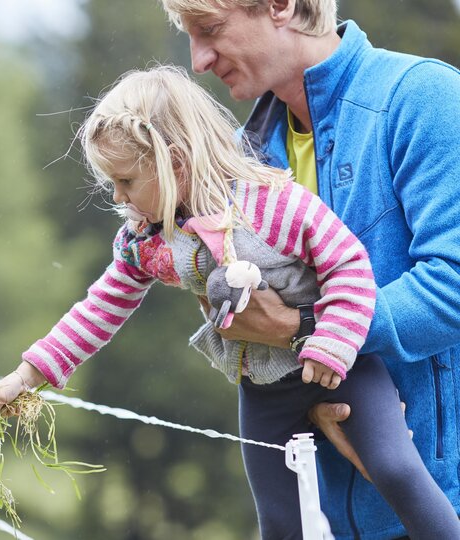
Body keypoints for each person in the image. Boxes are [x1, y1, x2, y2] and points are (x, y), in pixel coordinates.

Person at [0, 65, 460, 539]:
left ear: (173, 162)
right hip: (266, 390)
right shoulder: (149, 242)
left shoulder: (270, 202)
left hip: (344, 366)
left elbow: (349, 264)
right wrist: (29, 376)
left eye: (127, 181)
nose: (118, 196)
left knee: (397, 471)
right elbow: (98, 310)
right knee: (279, 520)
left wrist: (333, 340)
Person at [156, 0, 460, 538]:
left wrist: (303, 331)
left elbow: (452, 287)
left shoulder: (424, 97)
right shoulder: (238, 160)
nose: (198, 60)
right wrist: (313, 395)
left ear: (281, 6)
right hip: (338, 517)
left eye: (209, 30)